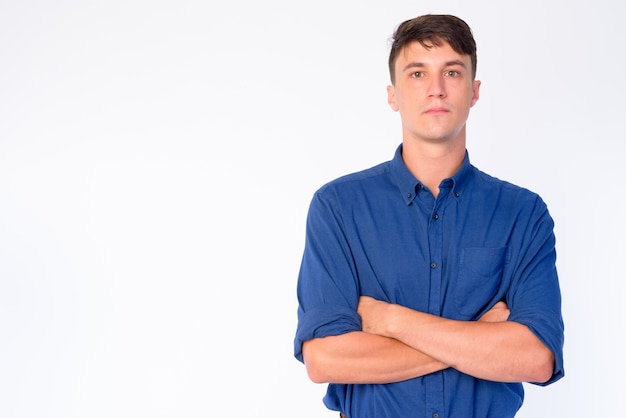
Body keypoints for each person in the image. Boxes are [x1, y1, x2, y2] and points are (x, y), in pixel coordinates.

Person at [293, 13, 565, 418]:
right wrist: (481, 339)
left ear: (474, 91)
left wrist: (390, 320)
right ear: (393, 95)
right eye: (417, 73)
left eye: (451, 72)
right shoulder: (338, 208)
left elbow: (536, 358)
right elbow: (327, 360)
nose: (436, 89)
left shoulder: (522, 214)